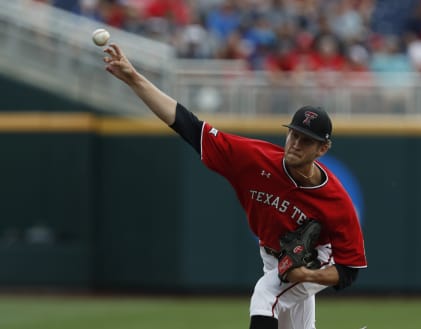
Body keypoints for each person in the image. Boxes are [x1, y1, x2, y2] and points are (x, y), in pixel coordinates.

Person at [102, 44, 367, 329]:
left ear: (323, 148)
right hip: (272, 256)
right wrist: (134, 79)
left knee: (266, 296)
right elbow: (188, 126)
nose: (296, 144)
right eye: (294, 134)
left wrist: (307, 275)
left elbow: (349, 271)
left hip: (314, 261)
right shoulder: (255, 159)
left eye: (306, 140)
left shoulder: (336, 201)